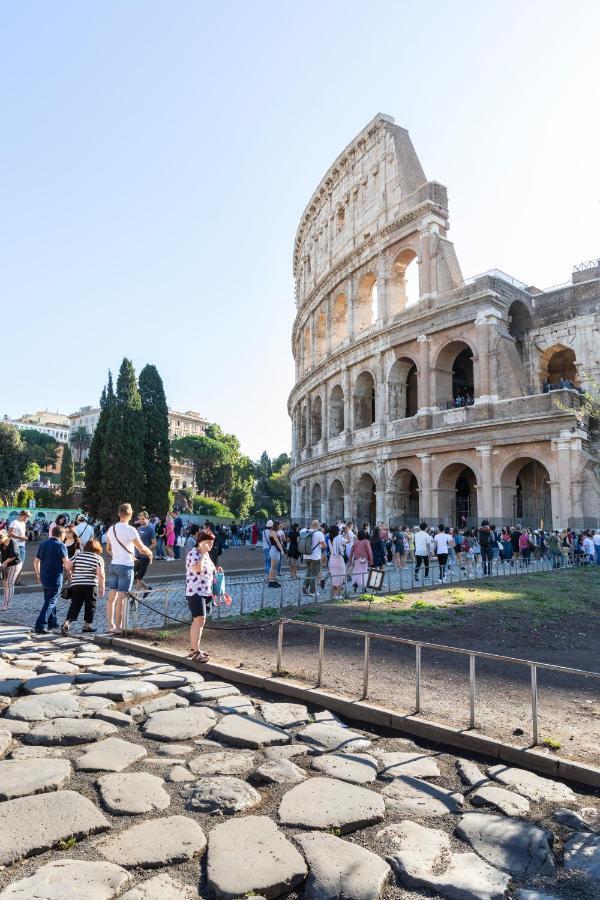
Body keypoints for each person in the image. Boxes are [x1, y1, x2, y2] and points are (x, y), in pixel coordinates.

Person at [105, 503, 153, 634]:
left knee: (112, 597)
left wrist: (117, 554)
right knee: (122, 598)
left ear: (119, 514)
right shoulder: (131, 530)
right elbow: (141, 548)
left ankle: (110, 625)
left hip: (113, 565)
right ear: (130, 514)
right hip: (126, 566)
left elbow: (108, 548)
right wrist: (150, 553)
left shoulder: (111, 528)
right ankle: (119, 627)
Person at [61, 538, 105, 634]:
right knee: (90, 605)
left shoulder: (78, 555)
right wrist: (102, 587)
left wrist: (71, 572)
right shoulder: (98, 558)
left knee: (75, 604)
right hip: (91, 585)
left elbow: (67, 565)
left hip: (76, 584)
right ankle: (87, 626)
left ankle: (67, 622)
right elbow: (100, 574)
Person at [185, 529, 216, 662]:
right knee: (200, 620)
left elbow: (211, 567)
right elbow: (197, 568)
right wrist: (203, 554)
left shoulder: (206, 554)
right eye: (208, 542)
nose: (210, 545)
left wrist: (216, 570)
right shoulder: (193, 553)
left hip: (205, 591)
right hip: (195, 592)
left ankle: (194, 649)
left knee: (198, 621)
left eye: (212, 543)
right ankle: (196, 652)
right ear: (201, 542)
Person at [33, 526, 68, 634]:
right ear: (62, 535)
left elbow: (35, 561)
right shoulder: (61, 545)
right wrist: (71, 572)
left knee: (49, 599)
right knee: (50, 601)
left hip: (44, 576)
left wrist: (38, 574)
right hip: (55, 577)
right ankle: (40, 625)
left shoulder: (43, 544)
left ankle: (52, 621)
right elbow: (66, 563)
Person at [302, 519, 326, 596]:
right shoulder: (319, 533)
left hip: (306, 554)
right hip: (315, 556)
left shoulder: (305, 531)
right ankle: (313, 591)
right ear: (318, 525)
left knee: (309, 571)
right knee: (314, 573)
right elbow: (324, 545)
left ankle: (305, 585)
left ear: (311, 525)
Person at [0, 529, 22, 610]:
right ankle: (6, 602)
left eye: (0, 539)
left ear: (6, 536)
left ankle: (7, 604)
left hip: (14, 564)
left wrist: (2, 564)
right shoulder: (2, 544)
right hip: (5, 564)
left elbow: (13, 556)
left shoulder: (13, 542)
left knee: (9, 583)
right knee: (5, 583)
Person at [134, 511, 156, 592]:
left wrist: (146, 550)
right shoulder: (138, 529)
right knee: (133, 576)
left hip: (145, 557)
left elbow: (154, 543)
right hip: (136, 556)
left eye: (143, 519)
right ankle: (147, 588)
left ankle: (136, 597)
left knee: (139, 577)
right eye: (140, 519)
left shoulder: (150, 530)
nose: (141, 521)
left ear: (148, 519)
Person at [348, 528, 373, 592]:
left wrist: (350, 560)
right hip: (364, 559)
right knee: (364, 572)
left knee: (357, 572)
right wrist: (371, 560)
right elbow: (369, 551)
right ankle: (364, 587)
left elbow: (351, 552)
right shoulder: (366, 541)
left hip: (357, 560)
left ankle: (355, 584)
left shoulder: (355, 543)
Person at [8, 510, 29, 584]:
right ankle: (12, 580)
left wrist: (23, 537)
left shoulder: (23, 523)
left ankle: (17, 580)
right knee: (15, 564)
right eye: (27, 516)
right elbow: (10, 533)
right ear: (23, 516)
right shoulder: (14, 522)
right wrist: (21, 538)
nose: (28, 518)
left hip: (22, 546)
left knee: (21, 564)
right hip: (15, 546)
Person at [328, 525, 346, 597]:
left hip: (332, 560)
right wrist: (346, 532)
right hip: (339, 560)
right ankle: (338, 596)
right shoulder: (340, 539)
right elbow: (348, 541)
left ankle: (332, 596)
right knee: (339, 579)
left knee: (334, 579)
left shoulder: (329, 540)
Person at [267, 522, 285, 588]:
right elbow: (277, 542)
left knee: (274, 567)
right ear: (276, 526)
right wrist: (282, 550)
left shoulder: (274, 532)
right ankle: (271, 581)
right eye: (279, 525)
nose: (280, 527)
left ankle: (273, 580)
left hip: (275, 549)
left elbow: (279, 541)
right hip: (274, 549)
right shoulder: (273, 532)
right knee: (273, 567)